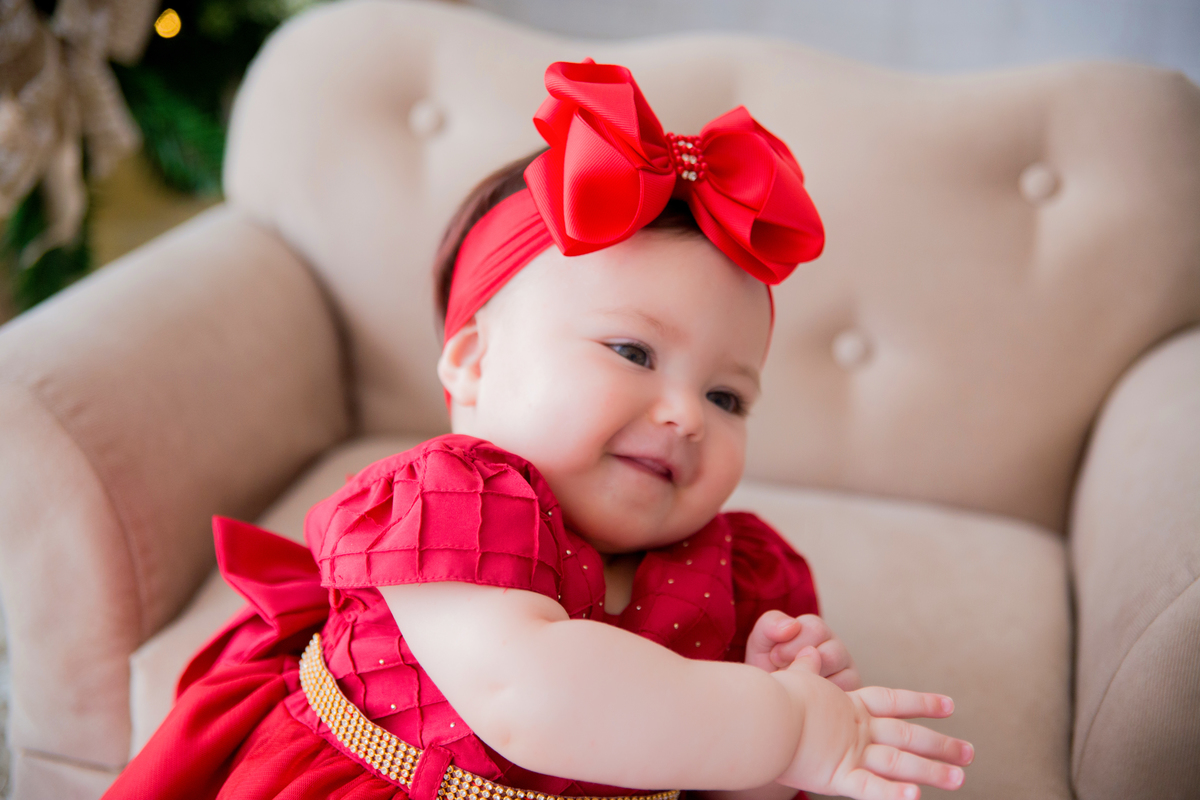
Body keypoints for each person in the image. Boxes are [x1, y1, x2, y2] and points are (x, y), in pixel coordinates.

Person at [103, 59, 973, 800]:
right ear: (475, 363)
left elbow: (699, 771)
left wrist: (769, 743)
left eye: (727, 397)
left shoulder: (735, 576)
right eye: (632, 351)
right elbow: (532, 696)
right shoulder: (453, 504)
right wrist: (782, 726)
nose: (685, 415)